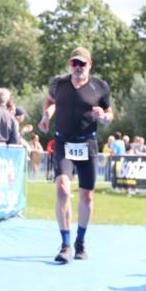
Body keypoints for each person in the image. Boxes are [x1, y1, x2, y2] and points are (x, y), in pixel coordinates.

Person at [38, 47, 114, 263]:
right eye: (74, 63)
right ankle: (65, 244)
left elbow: (110, 114)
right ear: (69, 65)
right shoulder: (58, 83)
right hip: (63, 143)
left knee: (86, 196)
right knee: (62, 189)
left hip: (87, 144)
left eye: (82, 64)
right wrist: (46, 116)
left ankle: (80, 241)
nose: (78, 67)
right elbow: (50, 101)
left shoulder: (100, 86)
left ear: (90, 65)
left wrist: (103, 116)